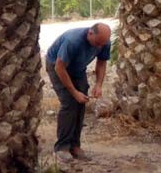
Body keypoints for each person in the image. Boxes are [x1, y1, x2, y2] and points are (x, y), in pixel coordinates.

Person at [45, 22, 112, 160]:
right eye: (97, 43)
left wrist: (98, 85)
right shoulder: (73, 41)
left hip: (78, 69)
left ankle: (74, 146)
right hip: (57, 66)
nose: (100, 46)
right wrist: (74, 92)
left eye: (102, 44)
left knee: (81, 102)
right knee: (70, 102)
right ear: (90, 33)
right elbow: (59, 68)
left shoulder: (104, 42)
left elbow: (102, 62)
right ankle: (61, 148)